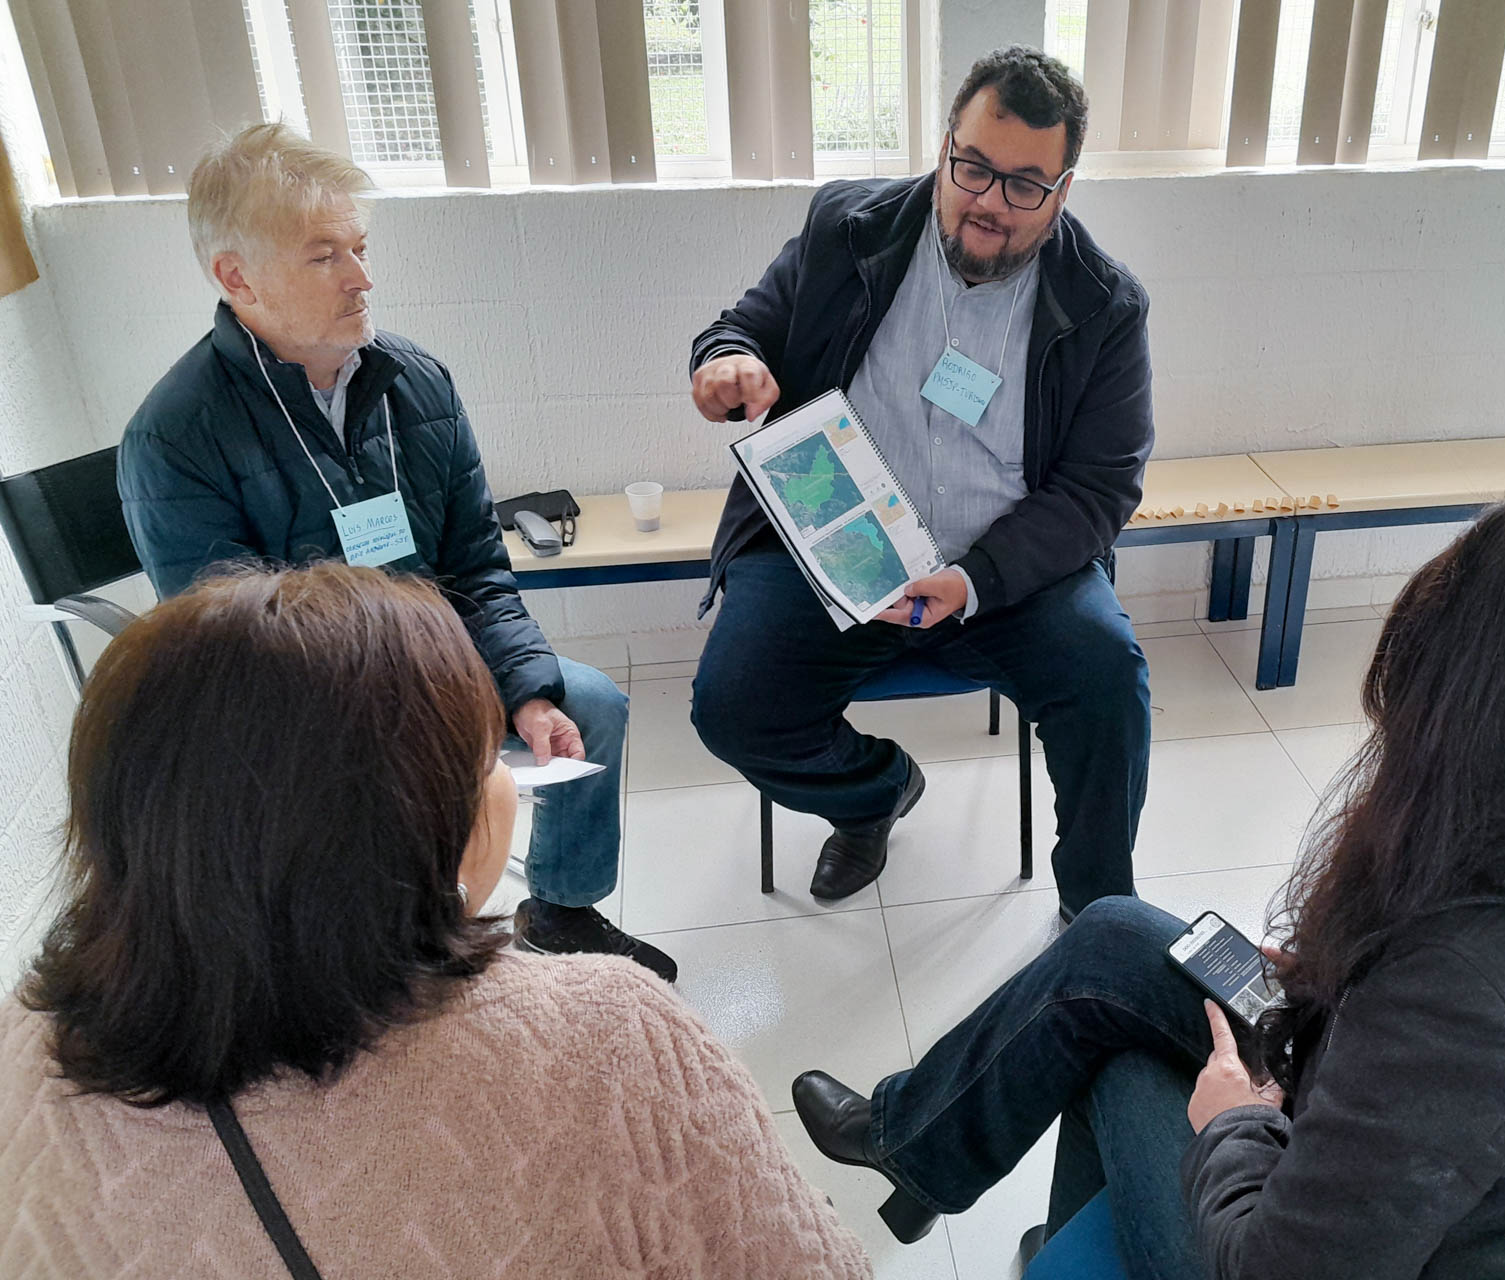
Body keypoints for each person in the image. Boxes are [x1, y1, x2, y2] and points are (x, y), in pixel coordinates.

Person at [789, 503, 1505, 1280]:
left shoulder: (1467, 1004)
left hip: (1401, 1205)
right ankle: (911, 1135)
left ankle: (1038, 1227)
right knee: (1119, 940)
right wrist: (1339, 995)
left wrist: (1236, 1124)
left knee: (1117, 1055)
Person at [0, 564, 869, 1278]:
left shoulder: (21, 1048)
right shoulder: (612, 1035)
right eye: (481, 751)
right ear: (413, 820)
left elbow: (482, 572)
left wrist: (525, 690)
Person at [115, 123, 673, 978]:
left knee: (586, 706)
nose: (362, 278)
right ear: (237, 276)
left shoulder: (416, 382)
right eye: (324, 256)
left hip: (443, 667)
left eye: (361, 248)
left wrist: (522, 691)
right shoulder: (174, 437)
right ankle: (393, 960)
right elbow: (235, 654)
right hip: (312, 718)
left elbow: (479, 564)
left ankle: (562, 910)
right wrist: (414, 714)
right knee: (387, 802)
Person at [686, 47, 1152, 915]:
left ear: (1064, 189)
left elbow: (1100, 490)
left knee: (1108, 683)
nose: (987, 203)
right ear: (945, 148)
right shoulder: (849, 231)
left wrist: (978, 579)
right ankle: (873, 794)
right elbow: (743, 325)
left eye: (1024, 185)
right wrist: (727, 362)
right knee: (732, 707)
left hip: (1003, 569)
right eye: (972, 168)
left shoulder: (1105, 307)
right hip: (840, 545)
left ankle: (1102, 916)